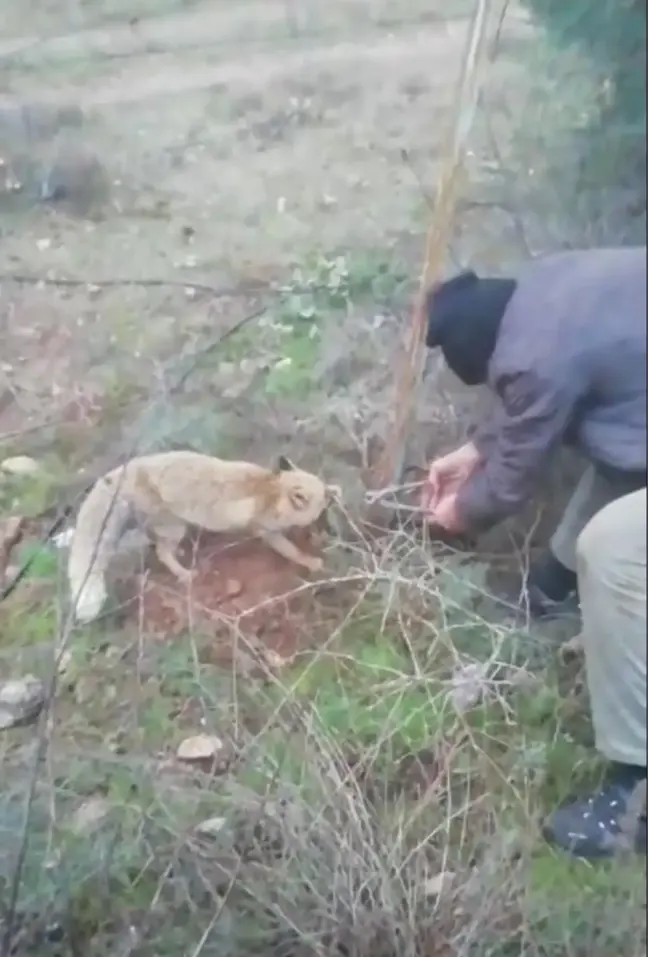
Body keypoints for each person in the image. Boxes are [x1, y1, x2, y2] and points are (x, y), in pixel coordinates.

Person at [422, 246, 646, 859]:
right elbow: (536, 399)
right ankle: (548, 600)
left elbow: (515, 473)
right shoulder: (549, 285)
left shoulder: (535, 355)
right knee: (619, 471)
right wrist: (476, 449)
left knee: (616, 548)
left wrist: (455, 517)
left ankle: (637, 797)